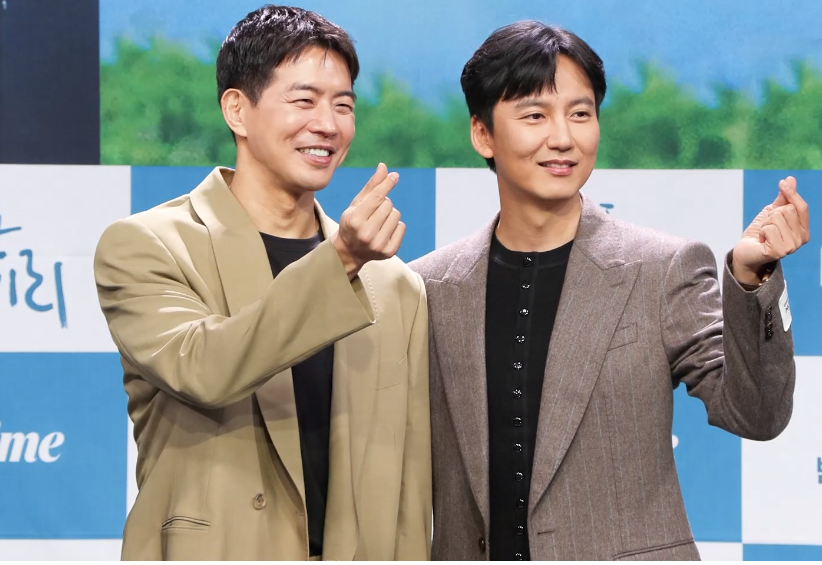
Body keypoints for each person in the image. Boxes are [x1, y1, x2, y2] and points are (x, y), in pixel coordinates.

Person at [410, 20, 809, 561]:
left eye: (580, 114)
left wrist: (749, 275)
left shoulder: (661, 269)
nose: (563, 138)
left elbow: (756, 414)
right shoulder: (428, 286)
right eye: (534, 115)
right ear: (483, 133)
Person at [94, 5, 431, 561]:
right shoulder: (146, 246)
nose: (328, 124)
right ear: (237, 110)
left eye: (343, 105)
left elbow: (409, 487)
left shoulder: (395, 286)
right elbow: (206, 369)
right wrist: (341, 259)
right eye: (304, 101)